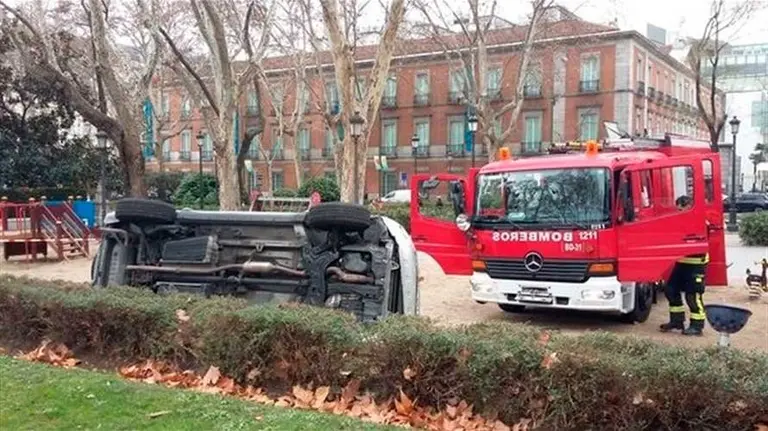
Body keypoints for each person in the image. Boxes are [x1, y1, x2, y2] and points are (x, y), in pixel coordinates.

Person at [660, 195, 708, 336]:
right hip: (681, 262)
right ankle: (677, 321)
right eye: (678, 209)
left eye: (682, 209)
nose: (679, 211)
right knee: (670, 290)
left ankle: (697, 326)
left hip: (696, 264)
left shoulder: (700, 221)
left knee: (692, 296)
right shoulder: (679, 221)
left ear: (690, 206)